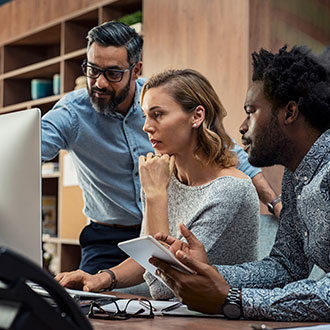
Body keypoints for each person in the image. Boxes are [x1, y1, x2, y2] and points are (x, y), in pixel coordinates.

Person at [42, 21, 280, 275]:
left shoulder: (161, 98)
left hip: (168, 228)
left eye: (112, 73)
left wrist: (275, 202)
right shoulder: (72, 114)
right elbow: (25, 152)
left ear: (135, 70)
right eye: (92, 70)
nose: (99, 83)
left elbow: (232, 154)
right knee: (87, 304)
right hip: (107, 237)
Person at [151, 45, 330, 321]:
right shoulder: (295, 177)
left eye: (251, 112)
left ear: (289, 112)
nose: (243, 127)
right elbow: (286, 267)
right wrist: (208, 272)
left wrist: (233, 299)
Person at [55, 69, 260, 299]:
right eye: (145, 116)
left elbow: (163, 286)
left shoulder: (230, 189)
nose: (146, 127)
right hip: (179, 313)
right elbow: (147, 257)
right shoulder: (163, 175)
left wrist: (155, 195)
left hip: (222, 317)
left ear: (197, 116)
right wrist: (103, 278)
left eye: (158, 114)